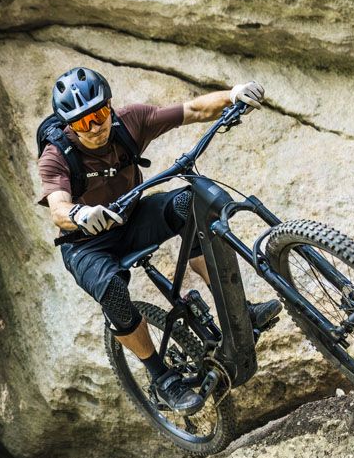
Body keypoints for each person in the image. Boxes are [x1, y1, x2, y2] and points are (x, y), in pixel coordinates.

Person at [38, 67, 282, 414]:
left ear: (109, 106)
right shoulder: (56, 156)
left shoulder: (129, 122)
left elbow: (193, 110)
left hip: (132, 218)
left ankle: (238, 311)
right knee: (113, 292)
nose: (94, 127)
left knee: (191, 204)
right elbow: (58, 208)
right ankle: (162, 379)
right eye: (82, 122)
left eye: (99, 113)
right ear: (69, 125)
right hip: (86, 244)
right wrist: (79, 215)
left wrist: (232, 95)